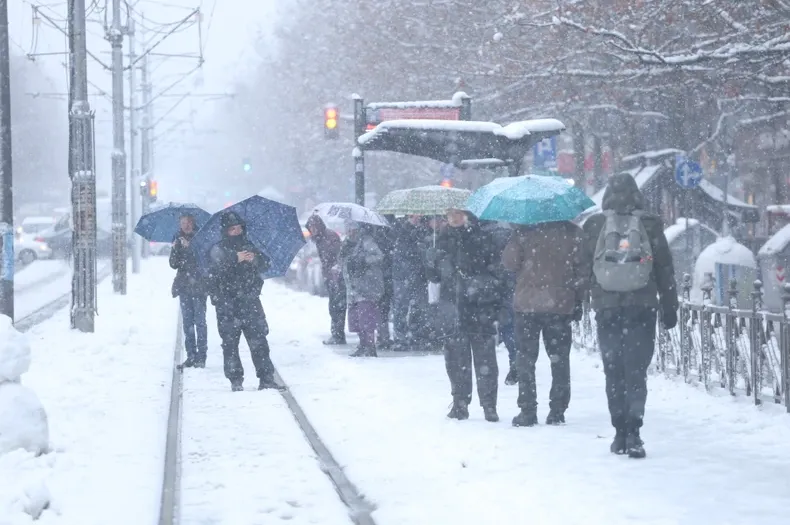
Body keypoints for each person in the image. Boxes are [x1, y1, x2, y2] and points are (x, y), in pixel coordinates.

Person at [581, 173, 678, 459]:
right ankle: (634, 431)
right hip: (642, 306)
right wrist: (669, 305)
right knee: (635, 371)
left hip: (607, 307)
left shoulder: (596, 224)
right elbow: (664, 268)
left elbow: (584, 267)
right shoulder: (649, 223)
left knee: (613, 370)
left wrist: (581, 300)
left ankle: (619, 432)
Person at [503, 221, 588, 427]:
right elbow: (583, 269)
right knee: (559, 359)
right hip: (559, 304)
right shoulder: (572, 232)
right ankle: (557, 410)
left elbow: (509, 264)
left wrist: (515, 239)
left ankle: (527, 410)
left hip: (527, 305)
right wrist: (578, 299)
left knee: (525, 358)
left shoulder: (523, 231)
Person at [426, 209, 501, 422]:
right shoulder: (442, 239)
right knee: (456, 359)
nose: (453, 218)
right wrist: (431, 262)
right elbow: (435, 277)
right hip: (453, 307)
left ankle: (488, 405)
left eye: (457, 214)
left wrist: (480, 287)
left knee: (485, 358)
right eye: (449, 215)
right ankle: (460, 403)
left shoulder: (481, 237)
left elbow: (494, 271)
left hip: (479, 306)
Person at [208, 211, 282, 392]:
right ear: (225, 231)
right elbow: (215, 270)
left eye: (239, 228)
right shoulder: (218, 248)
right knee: (230, 343)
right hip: (227, 303)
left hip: (250, 300)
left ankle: (266, 378)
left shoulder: (251, 246)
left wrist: (254, 259)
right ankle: (235, 379)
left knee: (259, 340)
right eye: (232, 229)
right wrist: (236, 258)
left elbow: (265, 264)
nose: (236, 232)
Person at [340, 221, 385, 357]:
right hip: (352, 288)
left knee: (366, 317)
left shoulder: (366, 242)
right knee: (356, 319)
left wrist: (364, 260)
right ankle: (363, 344)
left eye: (352, 229)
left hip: (366, 287)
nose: (350, 232)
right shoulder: (347, 244)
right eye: (348, 229)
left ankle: (370, 346)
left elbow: (379, 256)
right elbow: (342, 260)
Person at [169, 214, 208, 369]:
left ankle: (201, 357)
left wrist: (190, 248)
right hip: (184, 285)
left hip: (199, 285)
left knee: (200, 322)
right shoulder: (177, 239)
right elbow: (173, 264)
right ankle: (191, 355)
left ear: (194, 223)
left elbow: (203, 260)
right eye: (183, 223)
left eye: (189, 222)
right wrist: (175, 249)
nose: (186, 225)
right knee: (187, 322)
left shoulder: (202, 237)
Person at [481, 220, 517, 385]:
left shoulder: (480, 235)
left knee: (495, 328)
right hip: (510, 285)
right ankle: (515, 359)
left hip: (490, 287)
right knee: (510, 326)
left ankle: (486, 371)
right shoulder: (511, 232)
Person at [305, 214, 347, 345]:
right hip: (330, 276)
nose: (312, 229)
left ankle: (338, 335)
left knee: (337, 307)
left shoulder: (329, 236)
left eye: (313, 226)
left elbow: (337, 255)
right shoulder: (319, 239)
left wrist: (334, 270)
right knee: (334, 306)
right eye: (310, 227)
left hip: (336, 277)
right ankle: (336, 334)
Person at [392, 215, 430, 350]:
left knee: (417, 307)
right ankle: (401, 338)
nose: (417, 218)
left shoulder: (422, 231)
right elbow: (402, 252)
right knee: (402, 307)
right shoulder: (401, 230)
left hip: (417, 275)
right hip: (404, 276)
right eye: (414, 215)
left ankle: (415, 336)